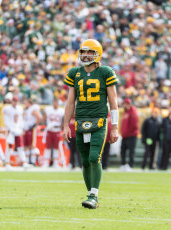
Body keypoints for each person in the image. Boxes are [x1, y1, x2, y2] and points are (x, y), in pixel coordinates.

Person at [63, 39, 119, 209]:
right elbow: (70, 102)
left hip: (99, 120)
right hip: (80, 121)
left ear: (97, 54)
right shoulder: (75, 73)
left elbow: (113, 100)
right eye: (83, 52)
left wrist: (115, 127)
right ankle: (91, 194)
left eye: (90, 52)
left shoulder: (105, 72)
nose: (86, 55)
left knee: (95, 157)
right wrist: (66, 125)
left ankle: (94, 194)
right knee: (85, 161)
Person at [3, 96, 30, 170]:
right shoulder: (7, 109)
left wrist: (21, 128)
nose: (14, 102)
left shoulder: (19, 109)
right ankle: (7, 163)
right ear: (11, 101)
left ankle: (24, 162)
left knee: (20, 147)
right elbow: (6, 120)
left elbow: (21, 119)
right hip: (10, 130)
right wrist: (10, 128)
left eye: (16, 101)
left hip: (17, 130)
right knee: (9, 147)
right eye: (13, 101)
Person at [43, 99, 65, 168]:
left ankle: (56, 163)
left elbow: (63, 121)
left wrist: (61, 126)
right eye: (54, 102)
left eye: (56, 102)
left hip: (57, 130)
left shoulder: (61, 111)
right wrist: (47, 124)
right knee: (47, 147)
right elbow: (44, 119)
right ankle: (46, 162)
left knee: (56, 147)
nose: (55, 104)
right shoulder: (48, 109)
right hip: (49, 130)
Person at [120, 97, 139, 172]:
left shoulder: (133, 112)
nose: (126, 105)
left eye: (127, 104)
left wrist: (127, 132)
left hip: (131, 135)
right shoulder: (125, 112)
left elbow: (134, 125)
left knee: (131, 151)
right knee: (123, 151)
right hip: (125, 135)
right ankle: (123, 164)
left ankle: (130, 165)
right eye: (125, 104)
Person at [23, 97, 42, 165]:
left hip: (31, 129)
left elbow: (39, 117)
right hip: (26, 129)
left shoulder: (33, 109)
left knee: (32, 145)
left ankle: (33, 161)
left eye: (26, 102)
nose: (25, 104)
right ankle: (27, 161)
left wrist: (34, 125)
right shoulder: (27, 109)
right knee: (26, 145)